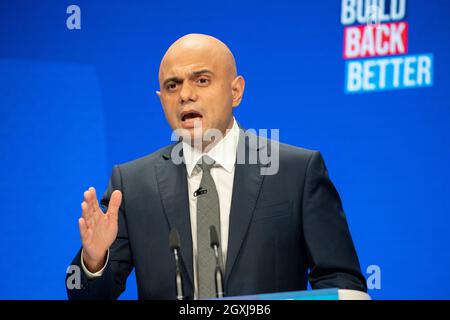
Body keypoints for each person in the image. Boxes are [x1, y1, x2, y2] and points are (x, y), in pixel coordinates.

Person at [66, 33, 367, 300]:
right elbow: (85, 297)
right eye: (172, 85)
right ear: (161, 99)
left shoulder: (295, 172)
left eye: (201, 80)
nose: (185, 95)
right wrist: (94, 260)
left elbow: (342, 282)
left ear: (236, 91)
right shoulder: (132, 184)